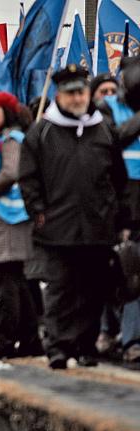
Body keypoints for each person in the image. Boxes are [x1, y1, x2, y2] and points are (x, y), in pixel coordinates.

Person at [19, 64, 127, 369]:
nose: (77, 98)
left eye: (81, 92)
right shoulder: (42, 132)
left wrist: (117, 218)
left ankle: (85, 346)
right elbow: (28, 179)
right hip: (57, 228)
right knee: (60, 290)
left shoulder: (104, 129)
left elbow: (118, 178)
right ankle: (58, 346)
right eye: (71, 93)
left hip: (97, 226)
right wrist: (39, 213)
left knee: (93, 291)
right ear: (59, 95)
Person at [0, 92, 43, 360]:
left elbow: (11, 171)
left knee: (8, 282)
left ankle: (5, 342)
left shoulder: (12, 140)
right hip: (3, 219)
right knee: (16, 281)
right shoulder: (1, 140)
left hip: (8, 218)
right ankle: (30, 340)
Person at [98, 57, 140, 363]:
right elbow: (112, 140)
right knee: (116, 269)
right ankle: (107, 330)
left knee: (135, 273)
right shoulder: (108, 108)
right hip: (118, 197)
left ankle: (131, 339)